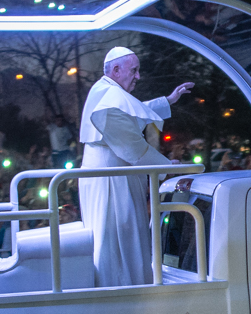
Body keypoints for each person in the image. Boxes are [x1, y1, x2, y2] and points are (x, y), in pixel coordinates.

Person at [77, 47, 192, 287]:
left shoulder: (106, 92)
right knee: (119, 240)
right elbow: (131, 146)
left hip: (111, 177)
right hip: (112, 183)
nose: (138, 76)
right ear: (116, 70)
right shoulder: (108, 98)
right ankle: (124, 290)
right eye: (134, 70)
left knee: (118, 240)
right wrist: (165, 166)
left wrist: (168, 101)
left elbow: (132, 110)